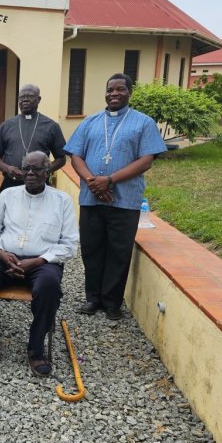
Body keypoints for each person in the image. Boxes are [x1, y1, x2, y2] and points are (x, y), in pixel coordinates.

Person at [64, 73, 167, 320]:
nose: (114, 94)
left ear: (129, 92)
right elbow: (75, 155)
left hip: (124, 201)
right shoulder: (90, 122)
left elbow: (146, 160)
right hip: (91, 199)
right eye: (110, 90)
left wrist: (109, 180)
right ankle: (93, 299)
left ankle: (112, 303)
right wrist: (93, 182)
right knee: (91, 249)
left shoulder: (143, 123)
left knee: (118, 252)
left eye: (120, 89)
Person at [0, 151, 78, 376]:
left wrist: (37, 261)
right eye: (26, 168)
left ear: (47, 172)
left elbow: (70, 244)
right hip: (6, 257)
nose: (29, 173)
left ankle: (36, 349)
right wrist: (0, 253)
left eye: (36, 169)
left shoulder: (62, 200)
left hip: (43, 261)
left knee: (49, 286)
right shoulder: (8, 195)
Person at [0, 84, 66, 192]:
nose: (25, 100)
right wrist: (8, 168)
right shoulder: (6, 125)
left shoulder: (51, 126)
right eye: (22, 97)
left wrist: (43, 170)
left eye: (29, 96)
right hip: (11, 183)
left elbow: (61, 158)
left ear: (38, 99)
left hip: (40, 184)